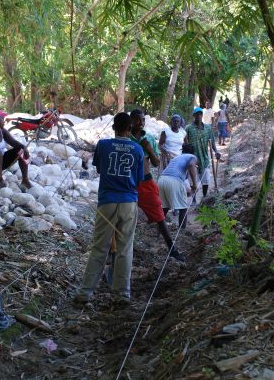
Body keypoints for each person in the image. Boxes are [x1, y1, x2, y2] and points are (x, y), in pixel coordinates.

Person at [74, 112, 144, 304]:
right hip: (128, 202)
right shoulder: (137, 149)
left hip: (107, 201)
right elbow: (139, 180)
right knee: (125, 249)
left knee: (99, 247)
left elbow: (99, 169)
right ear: (130, 129)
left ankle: (85, 292)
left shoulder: (103, 145)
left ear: (113, 127)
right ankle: (122, 293)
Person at [130, 109, 184, 261]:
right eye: (137, 120)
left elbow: (156, 163)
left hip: (146, 182)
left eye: (143, 120)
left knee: (159, 216)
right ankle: (114, 252)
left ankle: (172, 249)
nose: (141, 123)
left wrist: (148, 149)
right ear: (131, 120)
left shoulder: (149, 138)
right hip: (128, 184)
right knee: (123, 217)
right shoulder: (125, 137)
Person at [158, 145, 198, 229]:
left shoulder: (177, 158)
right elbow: (191, 165)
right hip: (174, 180)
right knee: (183, 207)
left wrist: (188, 190)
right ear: (193, 152)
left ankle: (159, 230)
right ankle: (182, 232)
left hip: (162, 179)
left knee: (165, 207)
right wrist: (195, 184)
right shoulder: (192, 157)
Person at [185, 107, 221, 198]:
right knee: (194, 180)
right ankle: (193, 199)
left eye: (200, 114)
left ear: (202, 115)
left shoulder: (208, 128)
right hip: (193, 159)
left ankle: (204, 198)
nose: (199, 116)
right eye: (197, 114)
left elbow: (212, 141)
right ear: (194, 115)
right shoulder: (188, 128)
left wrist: (216, 151)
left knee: (206, 180)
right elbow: (185, 143)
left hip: (204, 158)